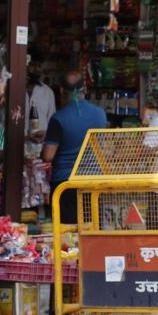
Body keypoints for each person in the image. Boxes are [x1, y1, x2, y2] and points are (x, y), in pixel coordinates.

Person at [42, 71, 108, 223]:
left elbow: (48, 156)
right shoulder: (100, 114)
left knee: (67, 234)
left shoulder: (58, 118)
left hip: (66, 184)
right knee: (91, 229)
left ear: (61, 91)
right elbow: (102, 146)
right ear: (85, 89)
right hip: (94, 182)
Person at [26, 48, 56, 141]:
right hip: (15, 145)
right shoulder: (13, 90)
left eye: (39, 66)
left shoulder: (47, 93)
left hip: (39, 148)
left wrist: (45, 136)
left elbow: (52, 123)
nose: (37, 69)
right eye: (33, 65)